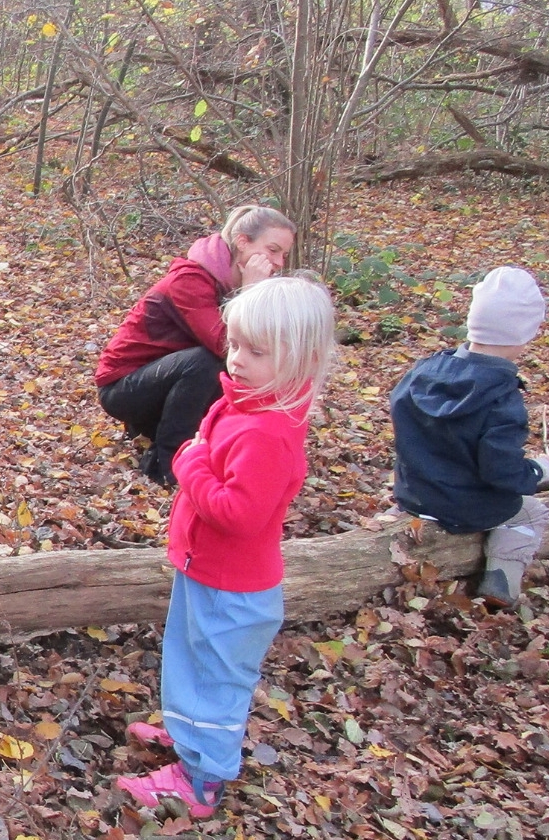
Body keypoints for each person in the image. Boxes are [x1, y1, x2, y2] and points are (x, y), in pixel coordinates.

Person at [115, 276, 336, 818]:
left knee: (216, 676)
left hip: (232, 585)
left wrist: (188, 464)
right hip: (205, 568)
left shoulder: (266, 431)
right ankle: (188, 734)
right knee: (189, 658)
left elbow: (238, 514)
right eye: (234, 344)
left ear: (301, 360)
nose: (237, 359)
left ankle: (201, 779)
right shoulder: (245, 403)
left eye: (256, 351)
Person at [390, 266, 549, 607]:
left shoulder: (425, 371)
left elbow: (399, 410)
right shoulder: (501, 397)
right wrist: (541, 470)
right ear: (525, 334)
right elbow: (502, 472)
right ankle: (502, 581)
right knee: (531, 512)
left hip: (414, 495)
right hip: (468, 507)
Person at [95, 206, 297, 485]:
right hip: (122, 388)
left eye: (283, 255)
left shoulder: (232, 281)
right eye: (272, 250)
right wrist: (250, 294)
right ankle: (167, 465)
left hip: (162, 381)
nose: (278, 262)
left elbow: (265, 346)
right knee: (210, 362)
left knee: (238, 365)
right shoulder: (191, 279)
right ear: (242, 242)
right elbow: (226, 344)